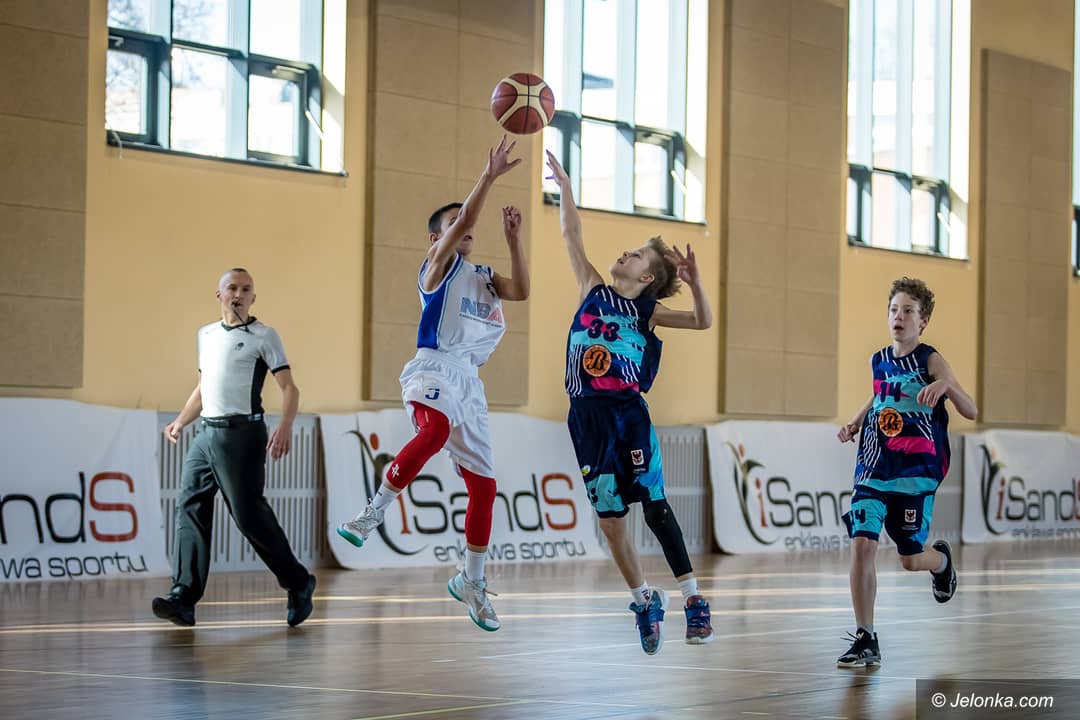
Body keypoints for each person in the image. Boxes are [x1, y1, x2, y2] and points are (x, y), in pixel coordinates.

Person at [338, 136, 528, 632]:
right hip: (434, 367)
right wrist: (488, 176)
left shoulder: (484, 276)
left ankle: (472, 580)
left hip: (470, 383)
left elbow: (523, 290)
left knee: (485, 487)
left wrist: (513, 239)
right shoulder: (436, 268)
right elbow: (464, 220)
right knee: (435, 431)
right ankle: (371, 513)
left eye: (467, 229)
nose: (466, 230)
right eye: (455, 226)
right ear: (436, 239)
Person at [545, 151, 714, 655]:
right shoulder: (592, 288)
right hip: (585, 418)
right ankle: (644, 601)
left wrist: (697, 284)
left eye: (637, 255)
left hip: (627, 416)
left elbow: (702, 321)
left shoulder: (648, 311)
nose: (626, 254)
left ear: (647, 279)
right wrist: (565, 187)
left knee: (656, 508)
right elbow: (571, 234)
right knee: (610, 521)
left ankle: (694, 599)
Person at [152, 268, 316, 627]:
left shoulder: (264, 336)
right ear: (220, 295)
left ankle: (298, 582)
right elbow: (203, 388)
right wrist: (180, 421)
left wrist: (286, 425)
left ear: (253, 298)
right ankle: (183, 596)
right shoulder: (206, 335)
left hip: (243, 434)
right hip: (206, 435)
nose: (238, 294)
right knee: (190, 506)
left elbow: (289, 388)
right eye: (232, 288)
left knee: (247, 516)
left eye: (245, 289)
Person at [836, 277, 978, 667]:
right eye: (894, 310)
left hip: (915, 472)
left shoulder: (930, 360)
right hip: (873, 465)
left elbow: (971, 410)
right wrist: (855, 422)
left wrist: (945, 385)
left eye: (908, 311)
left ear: (923, 320)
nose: (899, 316)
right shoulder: (879, 359)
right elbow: (880, 394)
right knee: (862, 543)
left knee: (911, 558)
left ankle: (942, 563)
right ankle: (866, 636)